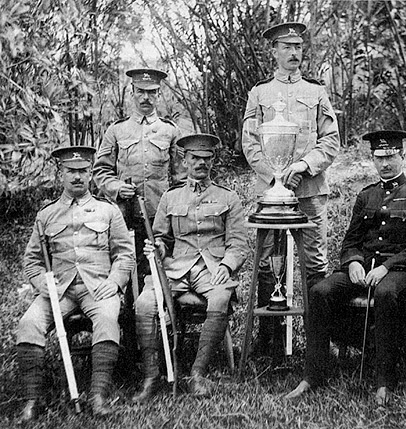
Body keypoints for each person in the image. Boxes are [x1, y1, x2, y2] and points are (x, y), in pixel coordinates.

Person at [285, 130, 406, 404]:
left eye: (391, 156)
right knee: (319, 291)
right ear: (373, 160)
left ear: (403, 156)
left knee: (386, 293)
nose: (386, 163)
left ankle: (384, 381)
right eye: (380, 157)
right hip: (364, 269)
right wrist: (353, 261)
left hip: (403, 272)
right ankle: (313, 374)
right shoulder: (366, 196)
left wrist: (387, 267)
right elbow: (351, 241)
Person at [242, 22, 340, 354]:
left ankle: (318, 342)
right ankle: (269, 341)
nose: (293, 53)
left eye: (298, 47)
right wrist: (276, 177)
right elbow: (250, 144)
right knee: (270, 261)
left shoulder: (316, 92)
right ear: (274, 51)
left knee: (315, 264)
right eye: (286, 47)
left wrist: (301, 167)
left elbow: (330, 141)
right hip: (271, 193)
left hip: (310, 191)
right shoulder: (259, 93)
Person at [17, 146, 134, 422]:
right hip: (60, 290)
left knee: (107, 317)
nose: (77, 177)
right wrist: (40, 284)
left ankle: (97, 395)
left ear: (91, 173)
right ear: (61, 174)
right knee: (28, 323)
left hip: (98, 287)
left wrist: (115, 281)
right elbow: (31, 260)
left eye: (83, 171)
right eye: (71, 171)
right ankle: (32, 400)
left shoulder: (108, 211)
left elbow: (125, 254)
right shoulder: (46, 215)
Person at [132, 134, 247, 401]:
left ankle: (198, 374)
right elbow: (161, 237)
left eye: (206, 159)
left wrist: (227, 266)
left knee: (220, 297)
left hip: (212, 269)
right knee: (145, 303)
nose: (201, 164)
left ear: (213, 161)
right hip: (176, 269)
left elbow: (239, 244)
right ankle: (151, 377)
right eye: (195, 158)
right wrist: (157, 248)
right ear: (184, 161)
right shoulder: (171, 198)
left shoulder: (227, 197)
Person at [93, 67, 182, 290]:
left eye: (151, 92)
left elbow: (181, 177)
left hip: (159, 216)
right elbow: (100, 171)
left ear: (159, 94)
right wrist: (116, 187)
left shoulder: (170, 131)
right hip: (126, 216)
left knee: (157, 268)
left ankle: (160, 318)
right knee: (127, 269)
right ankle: (129, 319)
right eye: (141, 91)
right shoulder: (116, 130)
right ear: (132, 91)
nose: (145, 98)